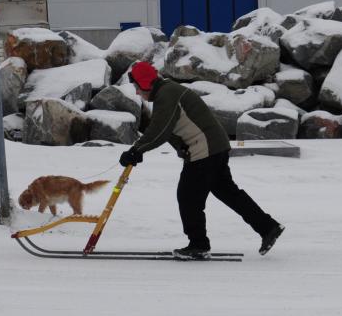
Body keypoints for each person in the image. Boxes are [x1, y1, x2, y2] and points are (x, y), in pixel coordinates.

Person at [119, 61, 284, 259]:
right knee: (228, 193)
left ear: (145, 83)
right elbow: (170, 130)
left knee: (188, 197)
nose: (137, 93)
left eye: (137, 87)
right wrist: (170, 149)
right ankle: (268, 227)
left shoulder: (167, 95)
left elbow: (159, 130)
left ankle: (198, 244)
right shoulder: (167, 92)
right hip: (213, 146)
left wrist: (136, 150)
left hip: (205, 148)